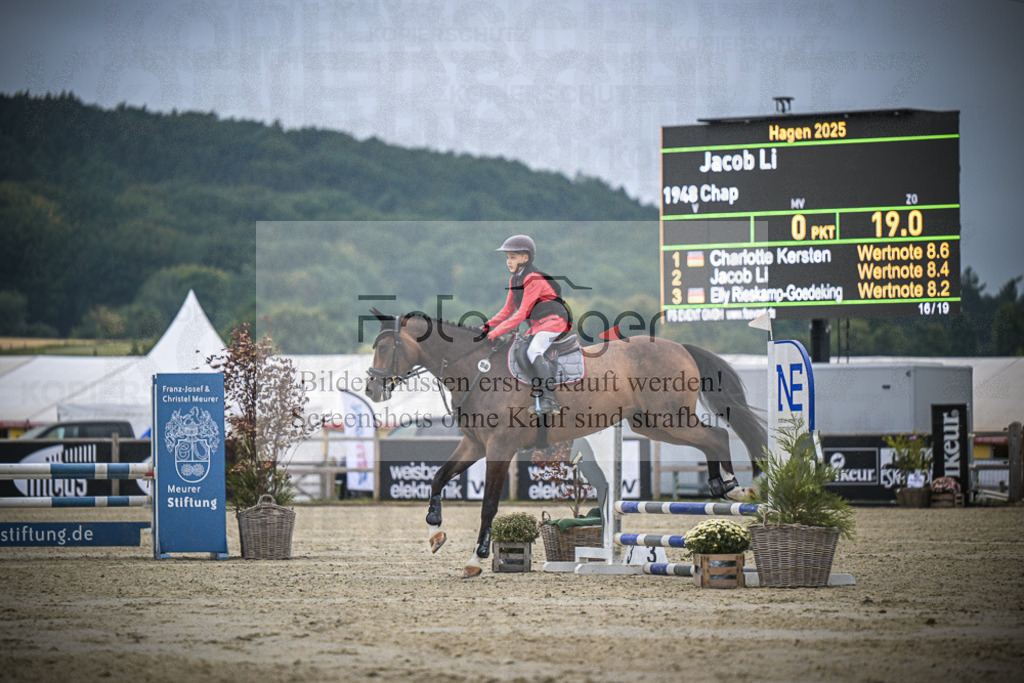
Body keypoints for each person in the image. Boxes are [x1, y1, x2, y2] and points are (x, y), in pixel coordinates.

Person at [483, 235, 572, 414]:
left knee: (533, 351)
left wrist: (493, 334)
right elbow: (506, 311)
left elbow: (521, 313)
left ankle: (550, 400)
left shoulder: (533, 279)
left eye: (513, 257)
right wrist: (485, 327)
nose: (508, 261)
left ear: (525, 258)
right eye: (507, 257)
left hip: (554, 322)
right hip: (539, 325)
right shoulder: (515, 280)